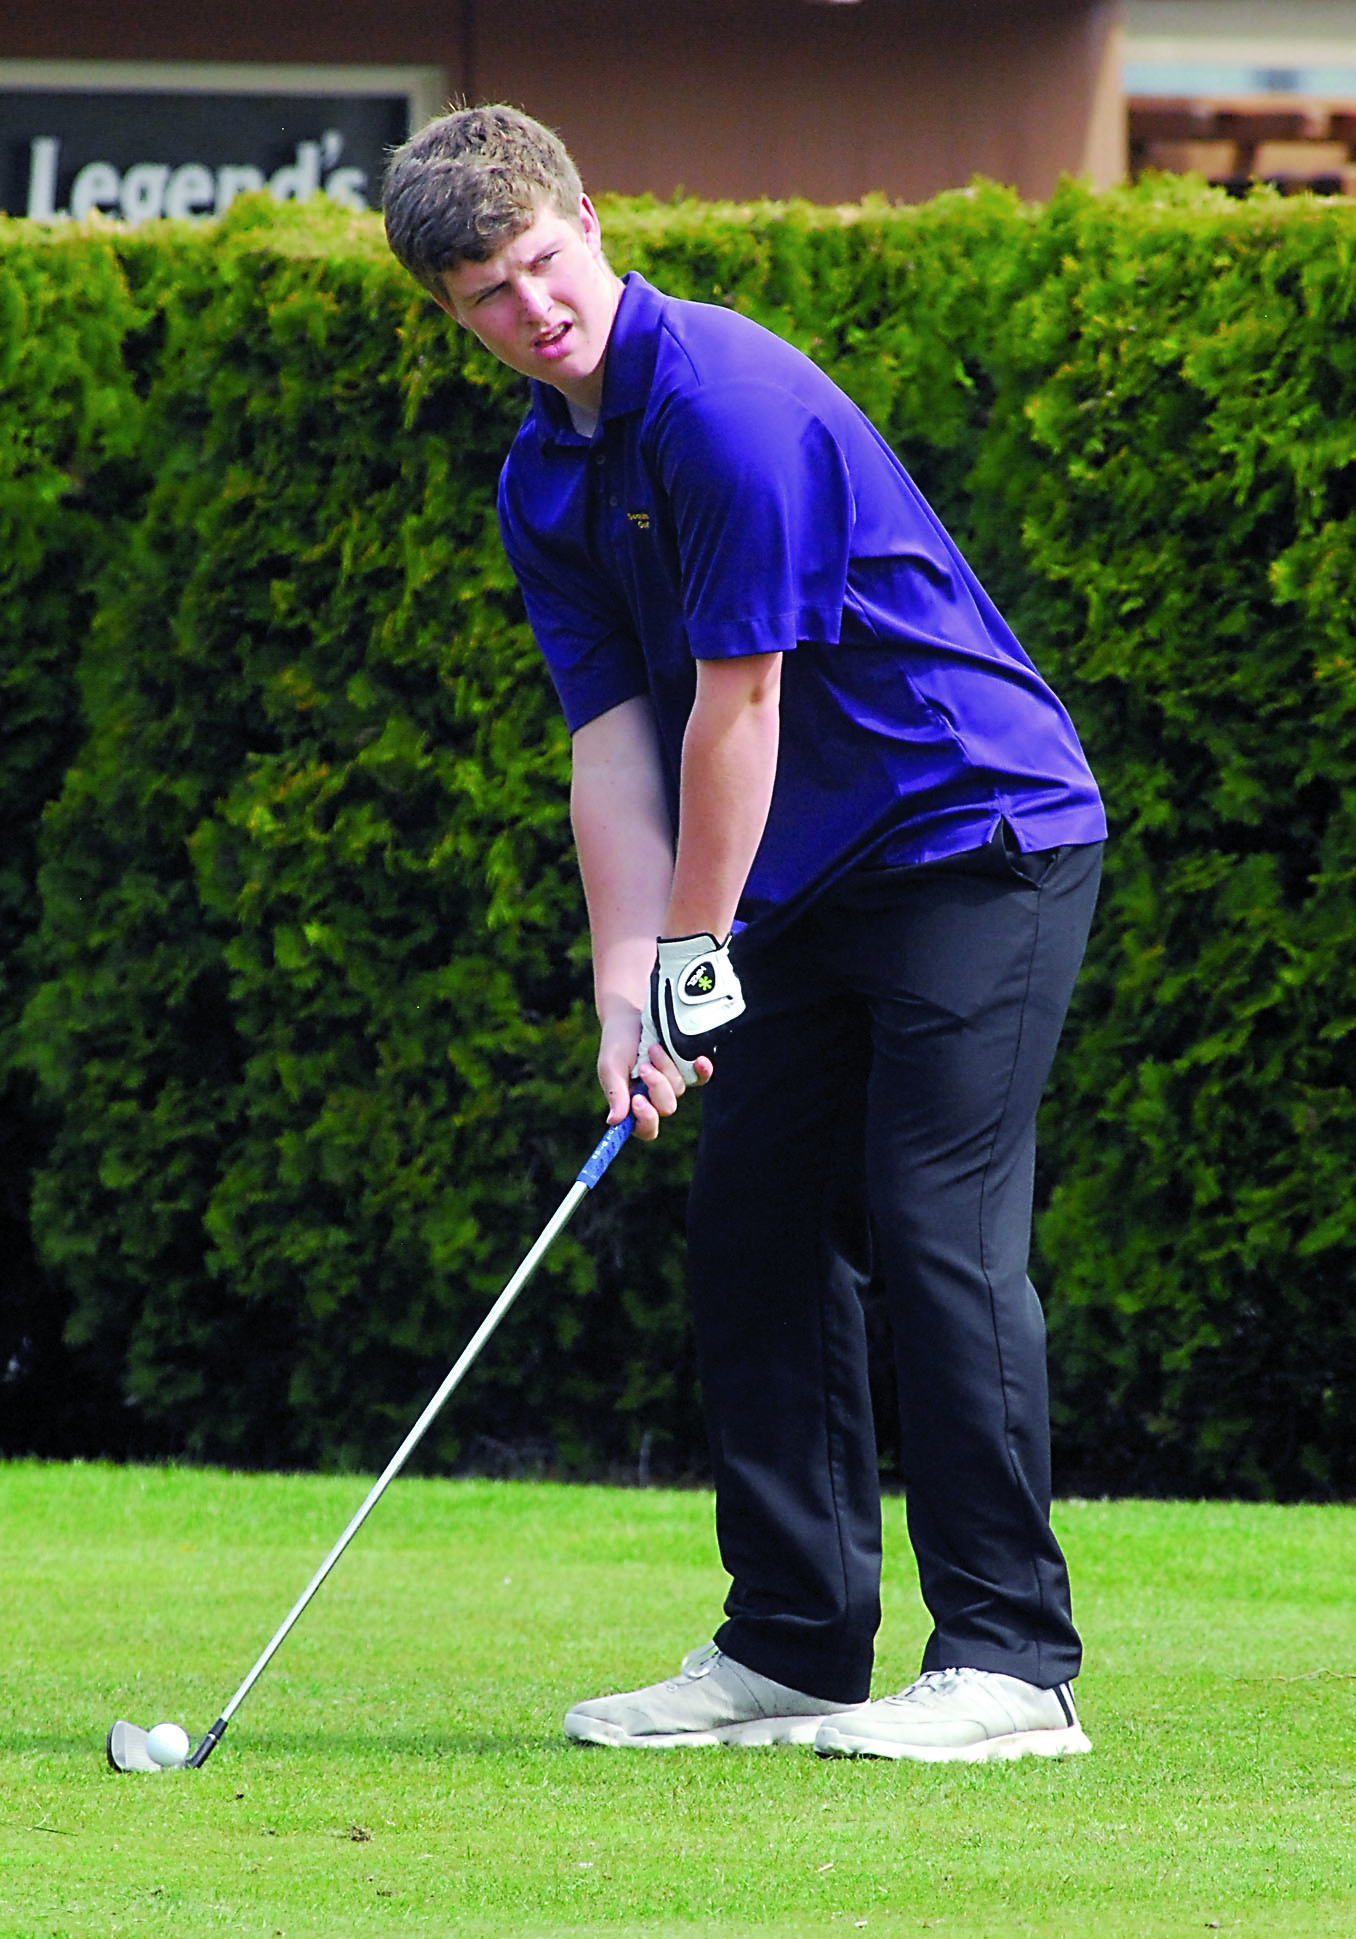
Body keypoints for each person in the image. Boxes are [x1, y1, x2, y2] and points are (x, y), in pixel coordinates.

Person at [382, 105, 1106, 1763]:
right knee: (757, 1232)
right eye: (488, 290)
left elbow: (740, 708)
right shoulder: (542, 475)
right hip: (810, 879)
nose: (533, 305)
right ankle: (792, 1643)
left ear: (590, 222)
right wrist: (623, 994)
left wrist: (694, 956)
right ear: (454, 312)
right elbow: (612, 746)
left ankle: (1012, 1663)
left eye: (544, 259)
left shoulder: (723, 403)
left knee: (936, 1225)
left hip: (971, 837)